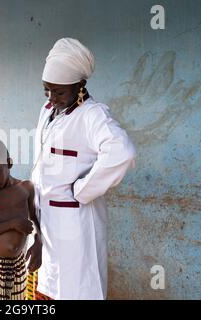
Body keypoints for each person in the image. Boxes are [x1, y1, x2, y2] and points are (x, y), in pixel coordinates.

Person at [31, 38, 136, 300]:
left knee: (78, 289)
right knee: (49, 286)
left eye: (59, 92)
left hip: (76, 224)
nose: (52, 98)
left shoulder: (93, 115)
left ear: (80, 85)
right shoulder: (47, 111)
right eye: (47, 90)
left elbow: (122, 152)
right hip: (46, 221)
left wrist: (82, 190)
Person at [0, 138, 42, 300]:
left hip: (18, 266)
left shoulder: (26, 188)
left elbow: (36, 220)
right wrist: (12, 224)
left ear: (9, 162)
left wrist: (38, 242)